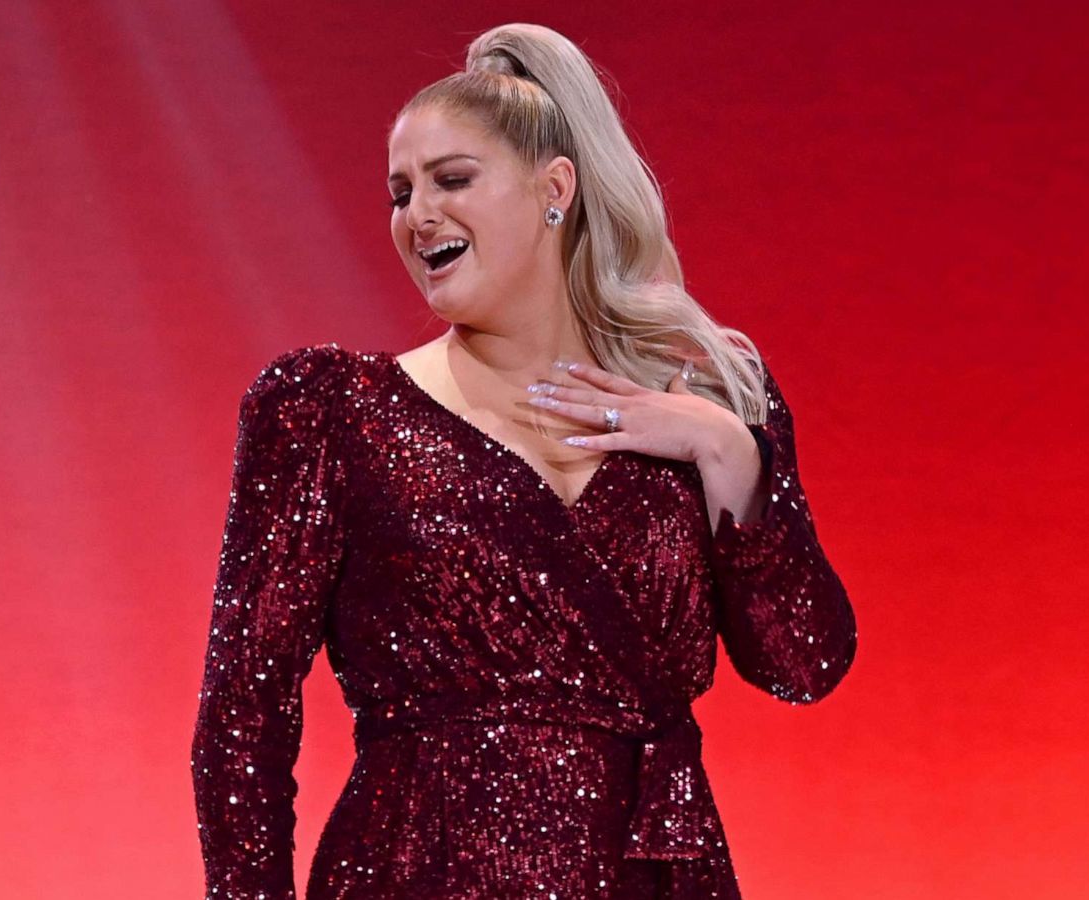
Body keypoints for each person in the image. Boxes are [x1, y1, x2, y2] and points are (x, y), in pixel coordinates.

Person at [190, 22, 858, 900]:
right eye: (398, 192)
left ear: (556, 189)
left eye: (452, 180)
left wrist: (726, 449)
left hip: (655, 874)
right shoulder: (331, 414)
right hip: (415, 872)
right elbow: (243, 715)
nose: (415, 214)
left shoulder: (716, 399)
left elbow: (803, 666)